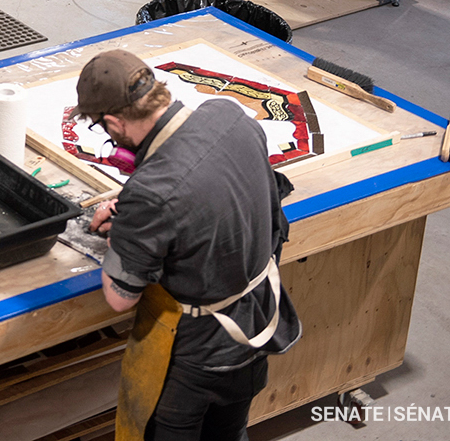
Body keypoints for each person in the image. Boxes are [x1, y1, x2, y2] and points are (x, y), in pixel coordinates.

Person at [76, 50, 301, 441]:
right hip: (258, 325)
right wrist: (139, 219)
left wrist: (128, 232)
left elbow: (119, 299)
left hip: (197, 360)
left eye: (102, 127)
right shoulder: (227, 114)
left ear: (114, 122)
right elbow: (218, 194)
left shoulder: (151, 193)